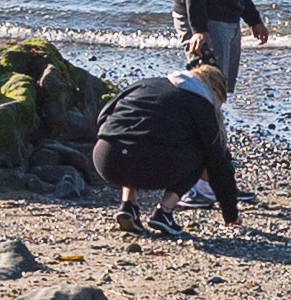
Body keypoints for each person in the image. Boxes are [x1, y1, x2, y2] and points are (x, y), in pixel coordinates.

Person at [90, 69, 235, 238]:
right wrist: (230, 213)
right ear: (214, 92)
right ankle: (164, 212)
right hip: (151, 165)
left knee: (134, 140)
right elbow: (218, 162)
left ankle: (128, 205)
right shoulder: (201, 104)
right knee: (202, 153)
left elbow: (104, 115)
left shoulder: (145, 83)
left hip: (106, 158)